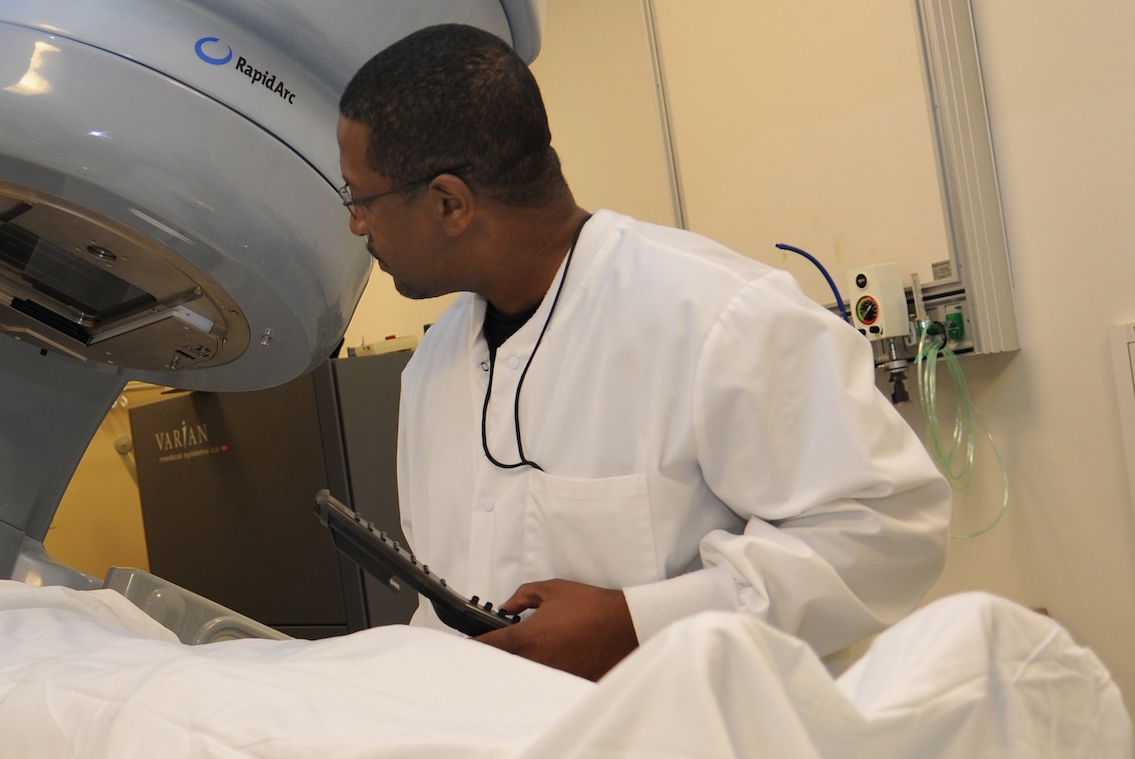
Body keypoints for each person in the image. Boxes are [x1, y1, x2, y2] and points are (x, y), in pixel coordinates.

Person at [335, 25, 950, 680]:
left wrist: (637, 623)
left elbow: (888, 530)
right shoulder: (434, 369)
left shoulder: (717, 318)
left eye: (360, 197)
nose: (356, 223)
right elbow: (455, 603)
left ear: (449, 203)